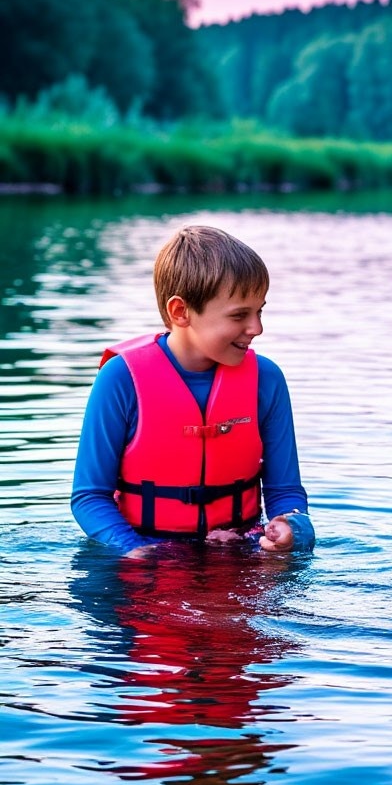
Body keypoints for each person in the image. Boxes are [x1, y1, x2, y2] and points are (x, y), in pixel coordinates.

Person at [71, 225, 315, 557]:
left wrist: (290, 529)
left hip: (238, 552)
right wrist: (135, 550)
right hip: (141, 555)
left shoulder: (266, 380)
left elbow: (285, 491)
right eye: (239, 315)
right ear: (180, 312)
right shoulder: (120, 379)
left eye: (259, 311)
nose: (256, 328)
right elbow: (89, 497)